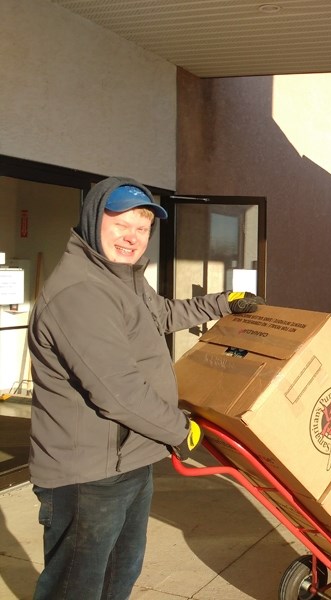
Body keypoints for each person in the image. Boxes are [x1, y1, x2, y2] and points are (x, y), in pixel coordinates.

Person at [27, 176, 265, 600]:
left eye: (143, 227)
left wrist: (224, 302)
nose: (132, 237)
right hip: (88, 476)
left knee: (117, 579)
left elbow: (164, 314)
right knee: (75, 589)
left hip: (129, 460)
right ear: (91, 219)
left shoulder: (122, 280)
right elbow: (118, 392)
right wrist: (179, 429)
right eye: (121, 223)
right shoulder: (81, 293)